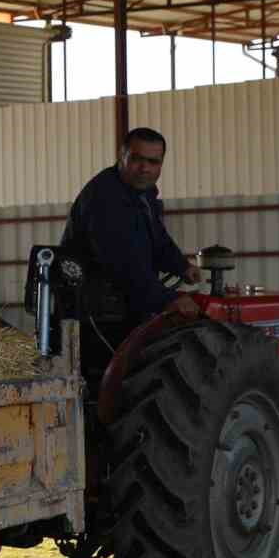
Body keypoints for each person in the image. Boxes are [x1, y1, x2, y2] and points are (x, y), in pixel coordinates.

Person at [58, 127, 201, 374]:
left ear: (161, 164)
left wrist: (182, 266)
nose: (144, 168)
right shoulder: (106, 198)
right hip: (96, 315)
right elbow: (124, 265)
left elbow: (158, 239)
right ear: (121, 155)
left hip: (124, 305)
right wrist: (170, 299)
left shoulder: (142, 194)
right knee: (115, 382)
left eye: (153, 161)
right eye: (136, 158)